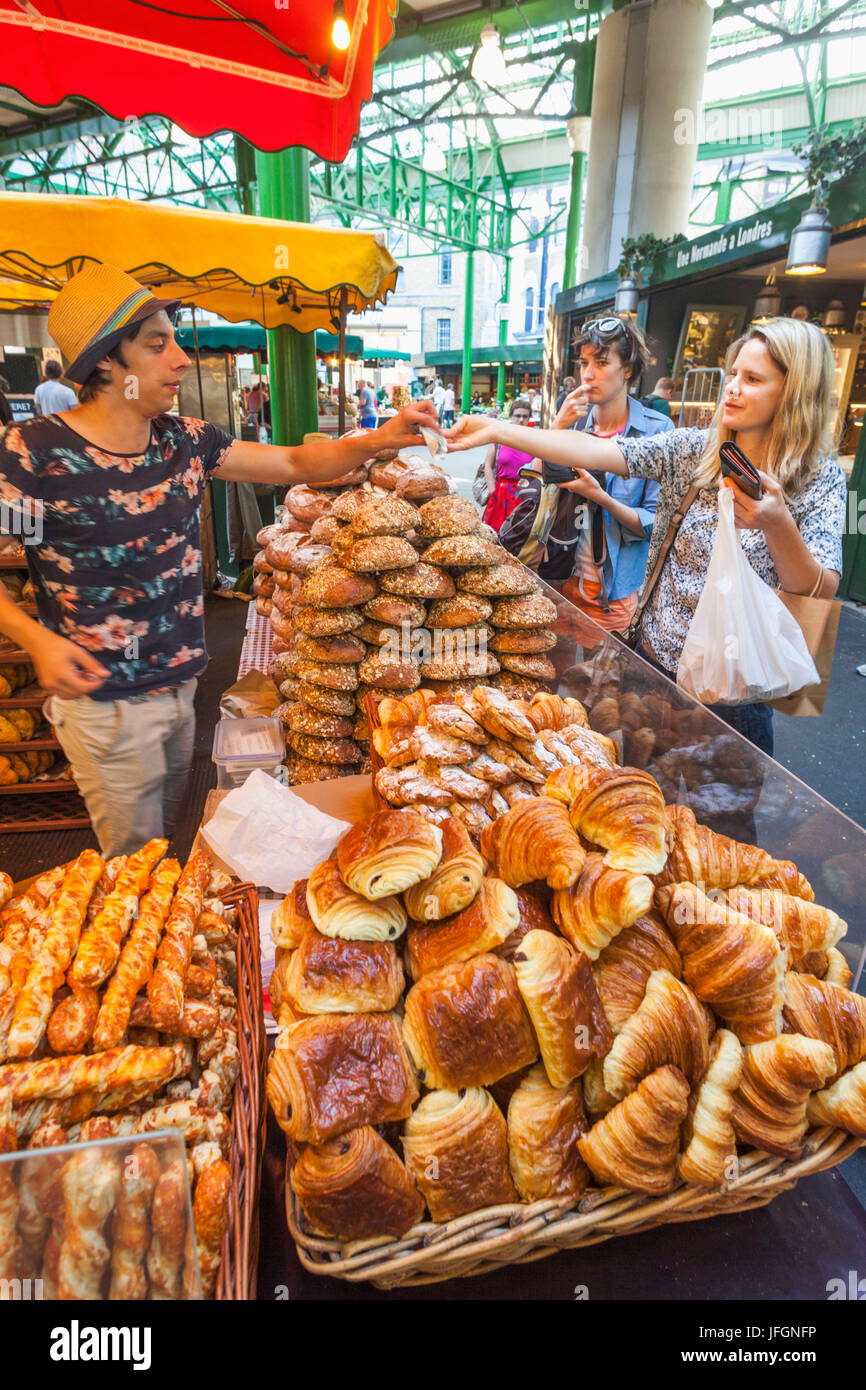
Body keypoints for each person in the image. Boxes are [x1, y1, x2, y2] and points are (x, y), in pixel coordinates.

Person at [0, 263, 441, 855]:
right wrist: (39, 641)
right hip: (106, 704)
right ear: (107, 363)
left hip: (181, 688)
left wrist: (379, 437)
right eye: (158, 345)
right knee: (134, 862)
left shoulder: (184, 441)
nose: (180, 358)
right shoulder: (37, 455)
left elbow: (290, 464)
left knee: (163, 839)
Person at [447, 317, 845, 756]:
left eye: (752, 379)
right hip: (654, 674)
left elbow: (818, 589)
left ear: (794, 392)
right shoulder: (695, 450)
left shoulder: (818, 478)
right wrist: (499, 430)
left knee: (723, 818)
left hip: (735, 692)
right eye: (732, 373)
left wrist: (778, 525)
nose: (731, 388)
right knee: (642, 806)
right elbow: (602, 451)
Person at [500, 318, 667, 634]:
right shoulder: (575, 421)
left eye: (602, 362)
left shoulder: (656, 432)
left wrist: (600, 496)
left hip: (610, 593)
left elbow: (655, 523)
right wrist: (557, 428)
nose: (588, 373)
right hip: (557, 579)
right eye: (584, 363)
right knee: (550, 676)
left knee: (601, 682)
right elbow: (530, 485)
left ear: (628, 369)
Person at [481, 397, 535, 532]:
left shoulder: (535, 441)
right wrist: (493, 490)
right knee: (493, 534)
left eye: (525, 416)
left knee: (519, 536)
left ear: (529, 418)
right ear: (511, 416)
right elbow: (488, 465)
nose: (521, 420)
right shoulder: (499, 439)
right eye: (517, 416)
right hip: (500, 493)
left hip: (524, 494)